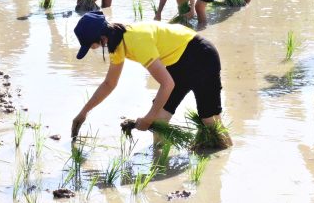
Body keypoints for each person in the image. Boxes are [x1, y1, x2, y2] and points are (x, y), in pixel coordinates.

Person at [69, 12, 231, 149]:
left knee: (210, 121)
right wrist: (83, 113)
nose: (92, 48)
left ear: (102, 38)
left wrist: (148, 119)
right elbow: (109, 84)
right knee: (160, 121)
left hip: (201, 56)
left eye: (91, 45)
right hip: (177, 63)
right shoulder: (115, 43)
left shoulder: (136, 41)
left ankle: (226, 156)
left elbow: (167, 84)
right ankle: (159, 165)